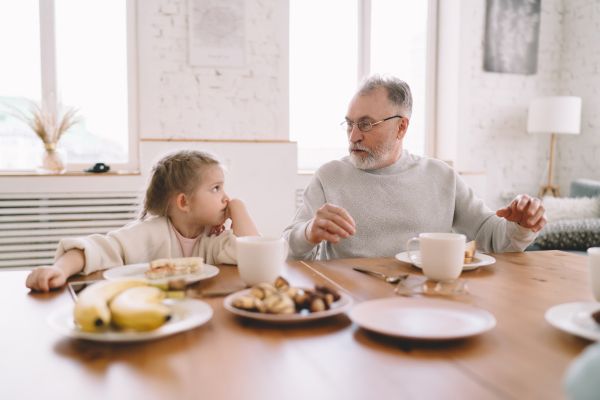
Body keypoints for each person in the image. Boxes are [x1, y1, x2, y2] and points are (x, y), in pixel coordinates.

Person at [283, 75, 546, 260]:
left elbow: (492, 237)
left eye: (365, 124)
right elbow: (287, 248)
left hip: (426, 299)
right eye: (349, 124)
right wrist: (308, 232)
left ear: (401, 127)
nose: (353, 137)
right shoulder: (329, 176)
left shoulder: (440, 176)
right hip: (351, 300)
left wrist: (521, 227)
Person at [26, 150, 259, 292]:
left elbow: (254, 253)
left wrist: (239, 209)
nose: (225, 198)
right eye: (216, 188)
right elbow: (95, 249)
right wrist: (59, 269)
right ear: (184, 202)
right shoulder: (149, 233)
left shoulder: (214, 237)